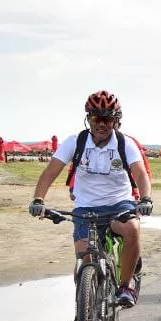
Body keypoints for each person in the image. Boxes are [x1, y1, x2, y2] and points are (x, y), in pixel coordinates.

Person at [29, 91, 152, 308]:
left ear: (116, 121)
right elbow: (50, 172)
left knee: (132, 228)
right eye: (96, 118)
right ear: (89, 119)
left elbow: (140, 174)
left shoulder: (125, 144)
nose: (101, 124)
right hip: (85, 206)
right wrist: (38, 200)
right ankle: (83, 310)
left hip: (119, 203)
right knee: (84, 261)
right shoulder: (75, 142)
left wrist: (145, 199)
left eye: (107, 119)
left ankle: (126, 285)